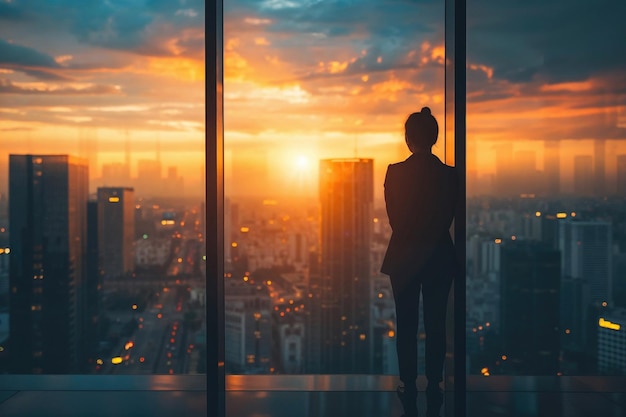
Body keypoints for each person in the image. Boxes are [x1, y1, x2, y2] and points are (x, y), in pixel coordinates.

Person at [381, 107, 458, 417]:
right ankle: (436, 383)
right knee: (437, 324)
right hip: (440, 255)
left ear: (408, 138)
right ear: (435, 137)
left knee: (407, 323)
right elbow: (448, 217)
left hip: (404, 256)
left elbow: (394, 220)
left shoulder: (395, 172)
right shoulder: (450, 174)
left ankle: (408, 382)